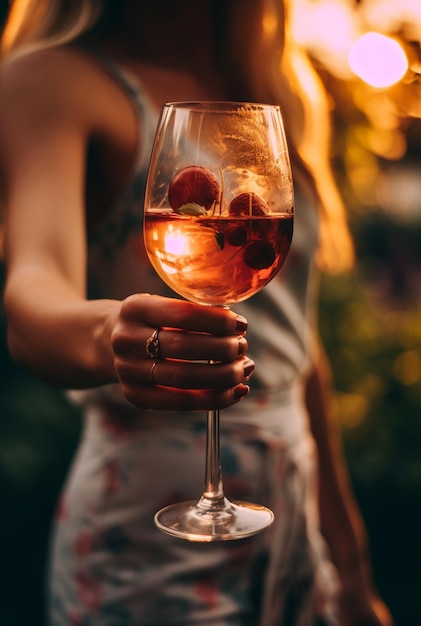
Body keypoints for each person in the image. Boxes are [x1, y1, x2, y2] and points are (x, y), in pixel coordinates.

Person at [0, 1, 394, 625]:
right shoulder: (53, 80)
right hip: (150, 537)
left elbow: (297, 346)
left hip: (293, 522)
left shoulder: (272, 88)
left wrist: (351, 567)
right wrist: (110, 333)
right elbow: (33, 286)